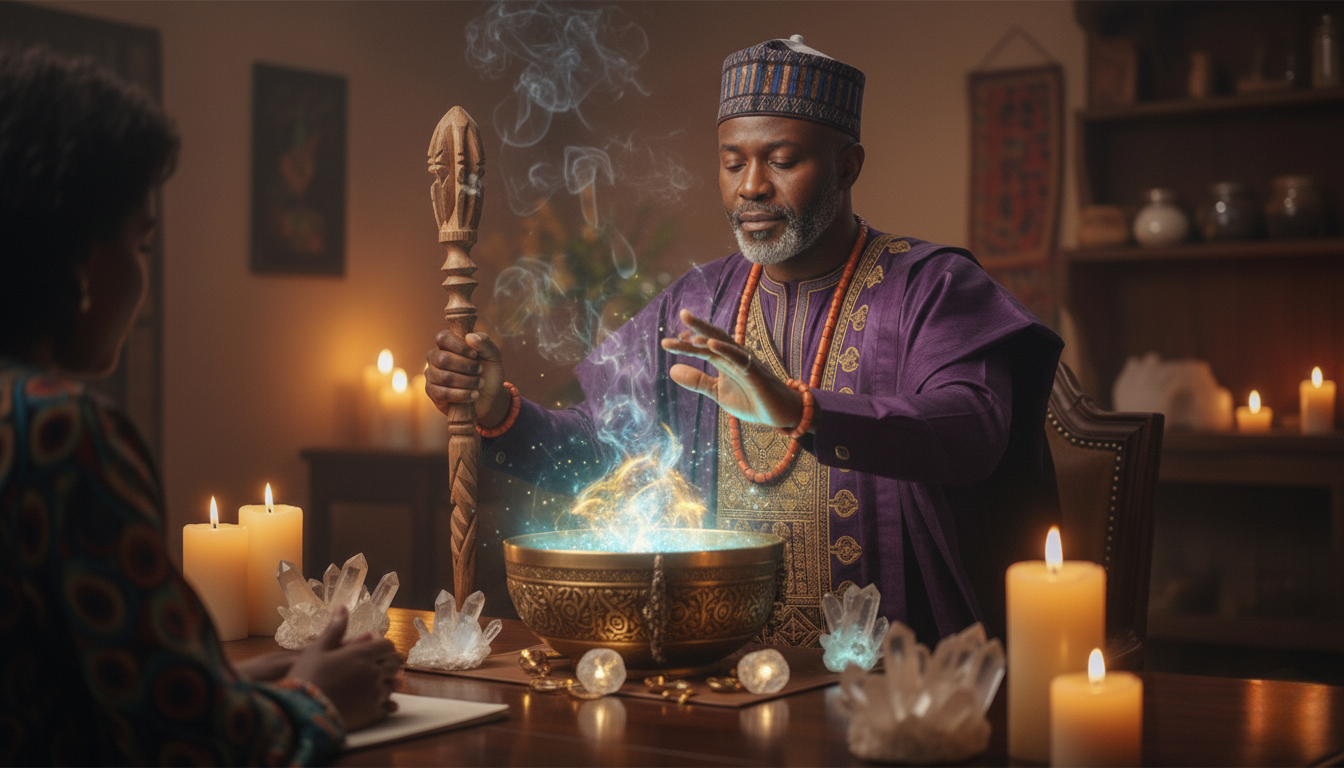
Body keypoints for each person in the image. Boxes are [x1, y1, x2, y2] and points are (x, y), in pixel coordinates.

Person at [427, 36, 1063, 646]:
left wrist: (798, 410)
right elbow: (607, 447)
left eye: (781, 161)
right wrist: (496, 411)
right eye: (733, 162)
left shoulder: (931, 288)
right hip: (716, 667)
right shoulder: (698, 304)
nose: (751, 186)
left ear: (849, 166)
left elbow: (973, 430)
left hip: (891, 679)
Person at [0, 47, 398, 765]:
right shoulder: (57, 434)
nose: (141, 273)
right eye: (139, 241)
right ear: (82, 258)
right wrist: (318, 699)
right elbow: (192, 747)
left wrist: (223, 680)